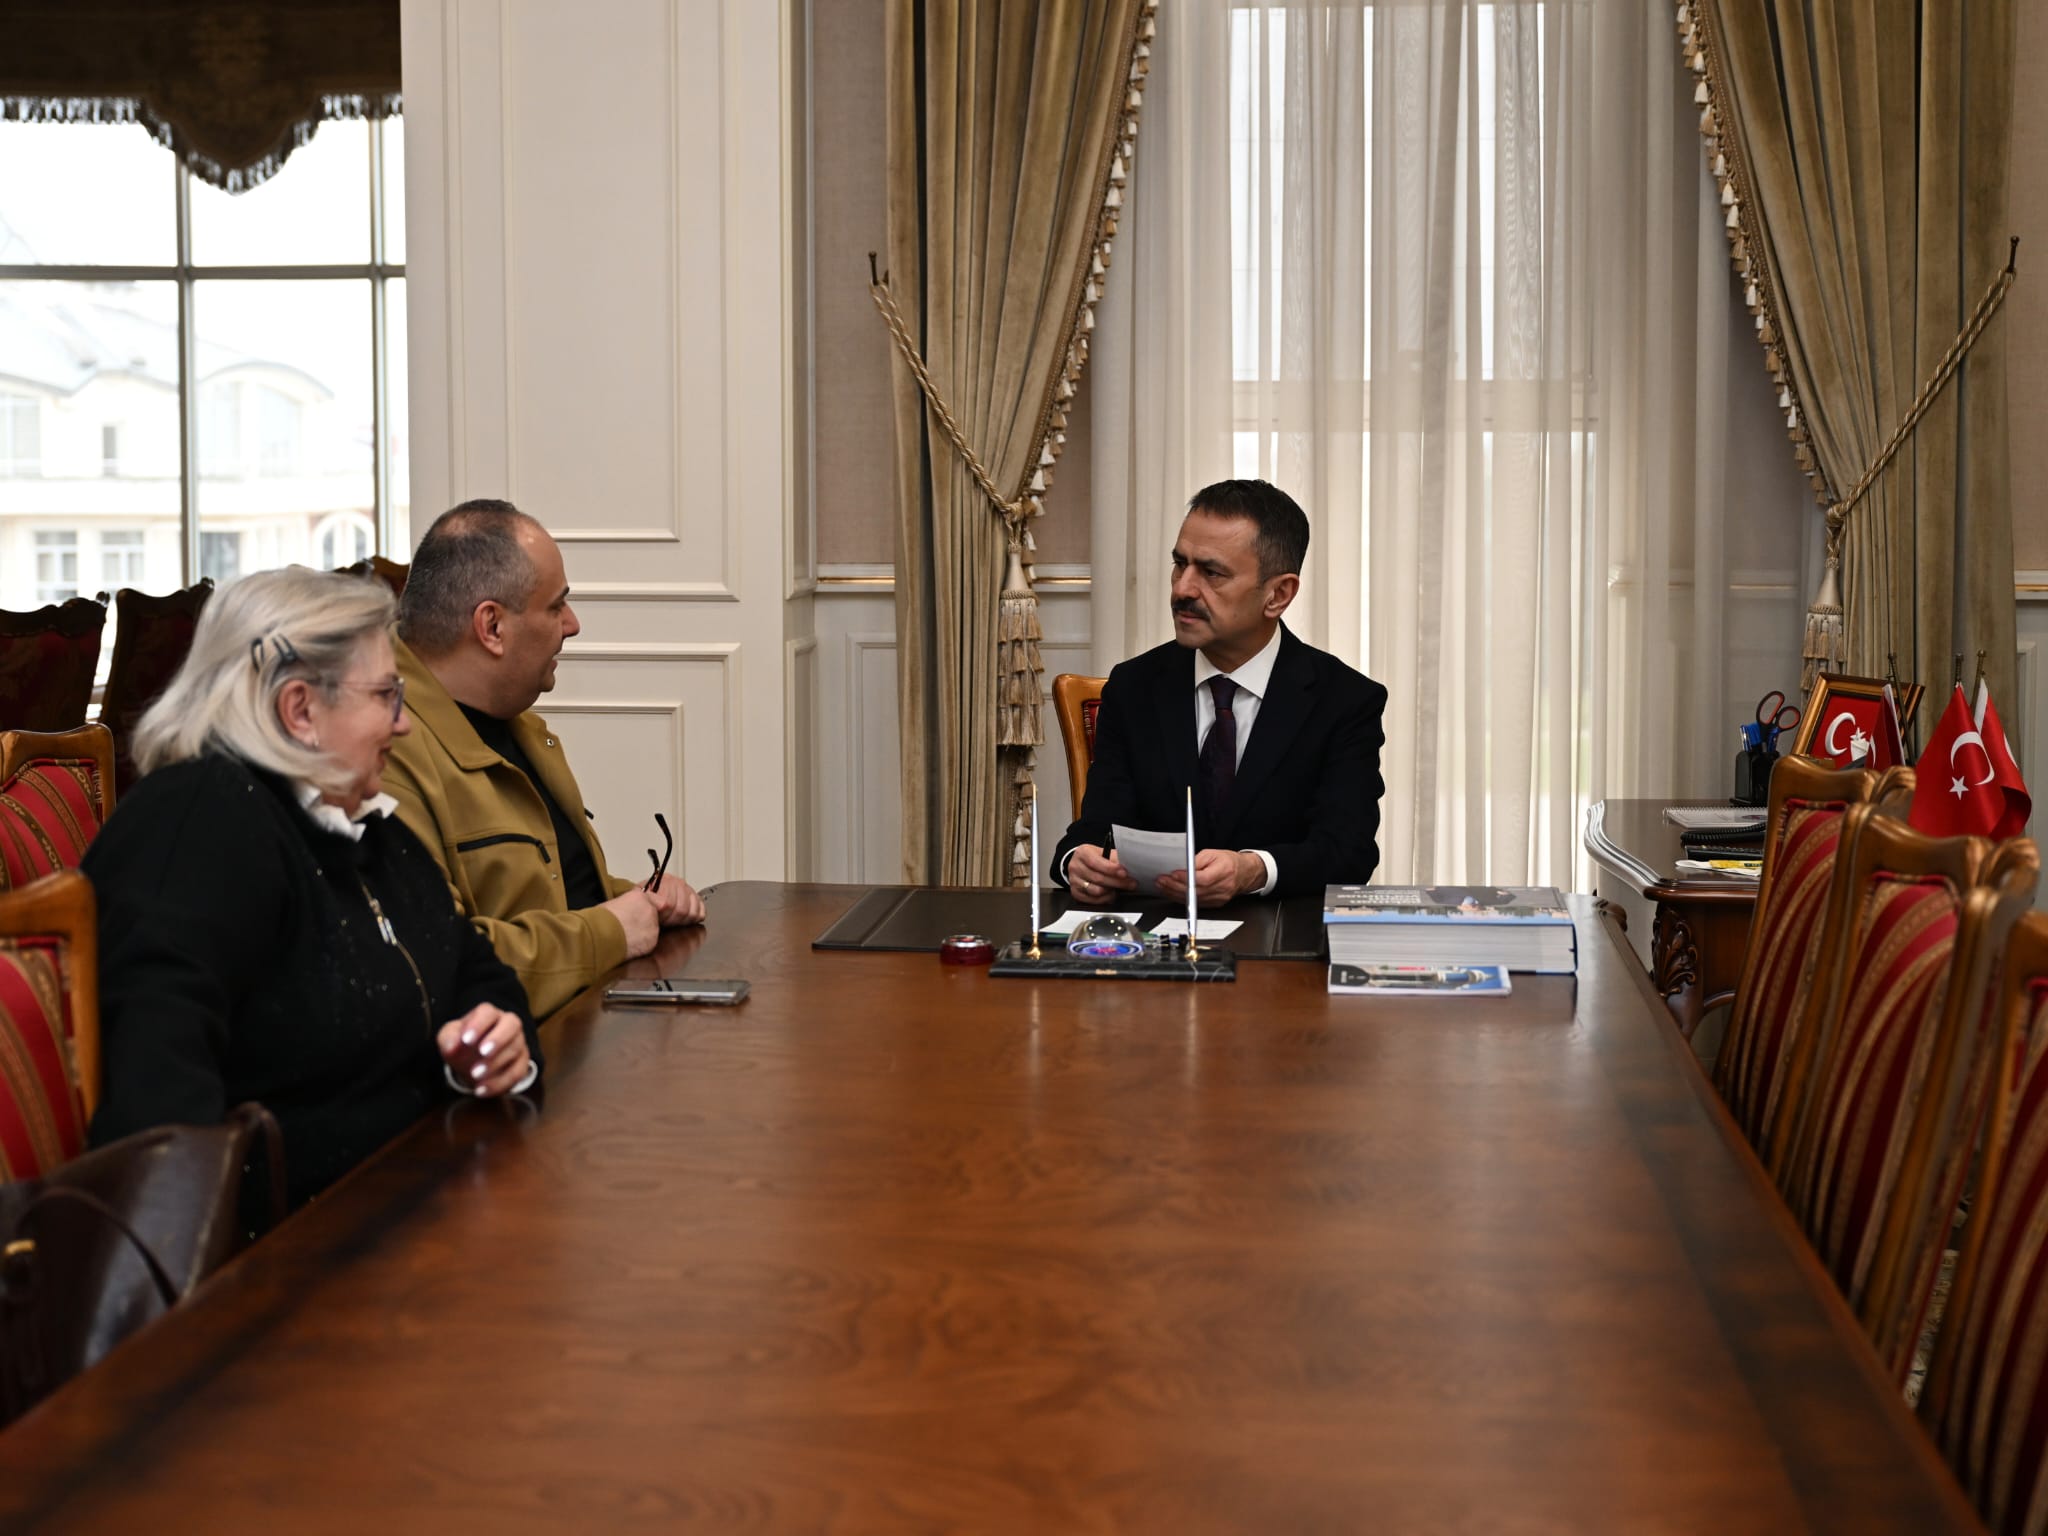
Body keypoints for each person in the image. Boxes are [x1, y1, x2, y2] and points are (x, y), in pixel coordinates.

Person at [85, 568, 540, 1211]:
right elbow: (159, 1117)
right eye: (386, 695)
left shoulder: (360, 826)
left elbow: (476, 971)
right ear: (300, 709)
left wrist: (500, 1047)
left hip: (415, 1213)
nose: (404, 725)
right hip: (287, 1266)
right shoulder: (199, 827)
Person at [382, 500, 705, 1018]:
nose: (572, 624)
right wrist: (611, 930)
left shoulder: (519, 726)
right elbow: (439, 961)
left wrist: (640, 901)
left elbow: (551, 900)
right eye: (557, 606)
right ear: (491, 627)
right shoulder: (384, 754)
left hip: (589, 1019)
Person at [1052, 479, 1387, 905]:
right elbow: (1095, 830)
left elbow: (1348, 853)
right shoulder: (1135, 686)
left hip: (1280, 945)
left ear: (1278, 594)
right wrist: (1077, 862)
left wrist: (1253, 869)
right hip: (1155, 945)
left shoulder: (1344, 700)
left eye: (1211, 572)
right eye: (1180, 564)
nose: (1182, 589)